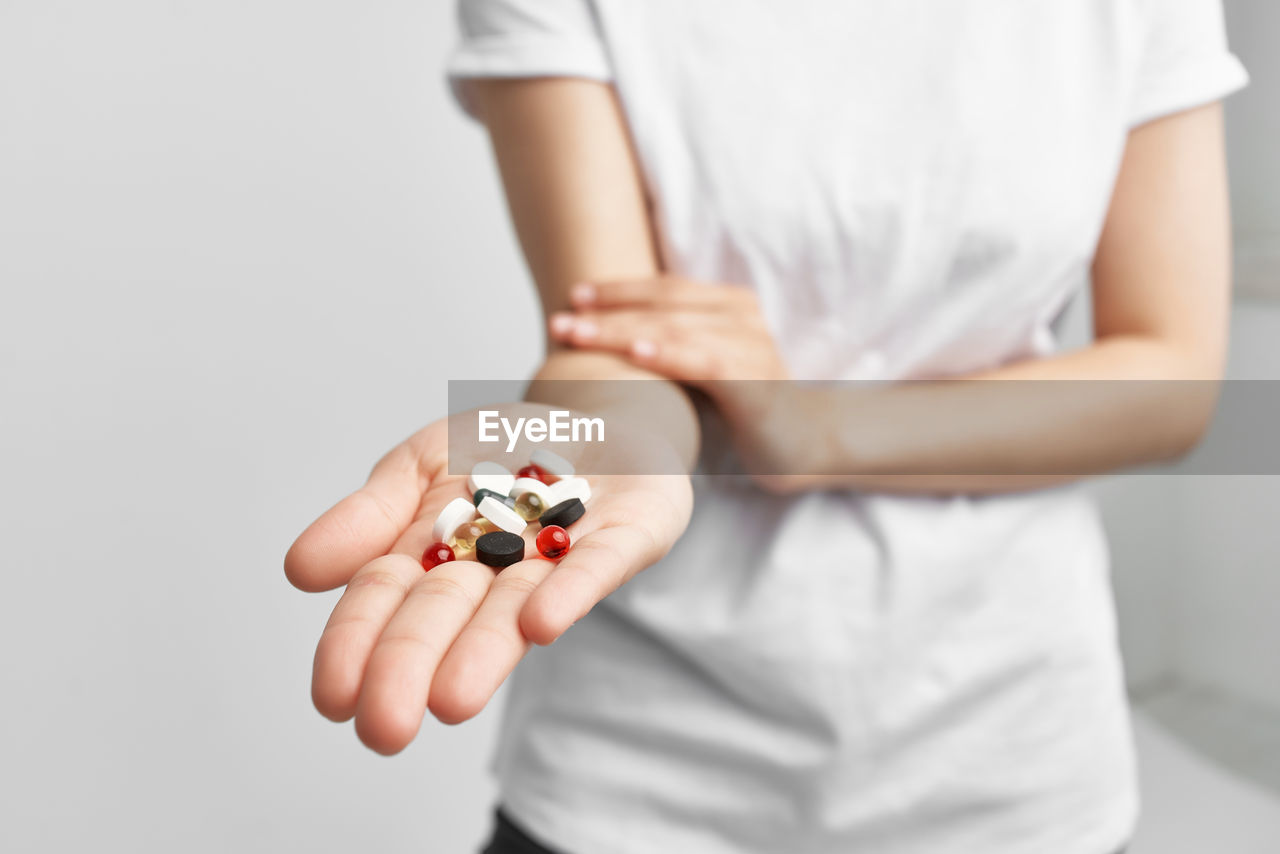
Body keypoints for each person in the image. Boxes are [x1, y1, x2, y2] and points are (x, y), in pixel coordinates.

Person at [285, 1, 1249, 851]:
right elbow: (613, 336)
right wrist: (601, 447)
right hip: (636, 773)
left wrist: (819, 429)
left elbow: (1169, 378)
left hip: (1008, 752)